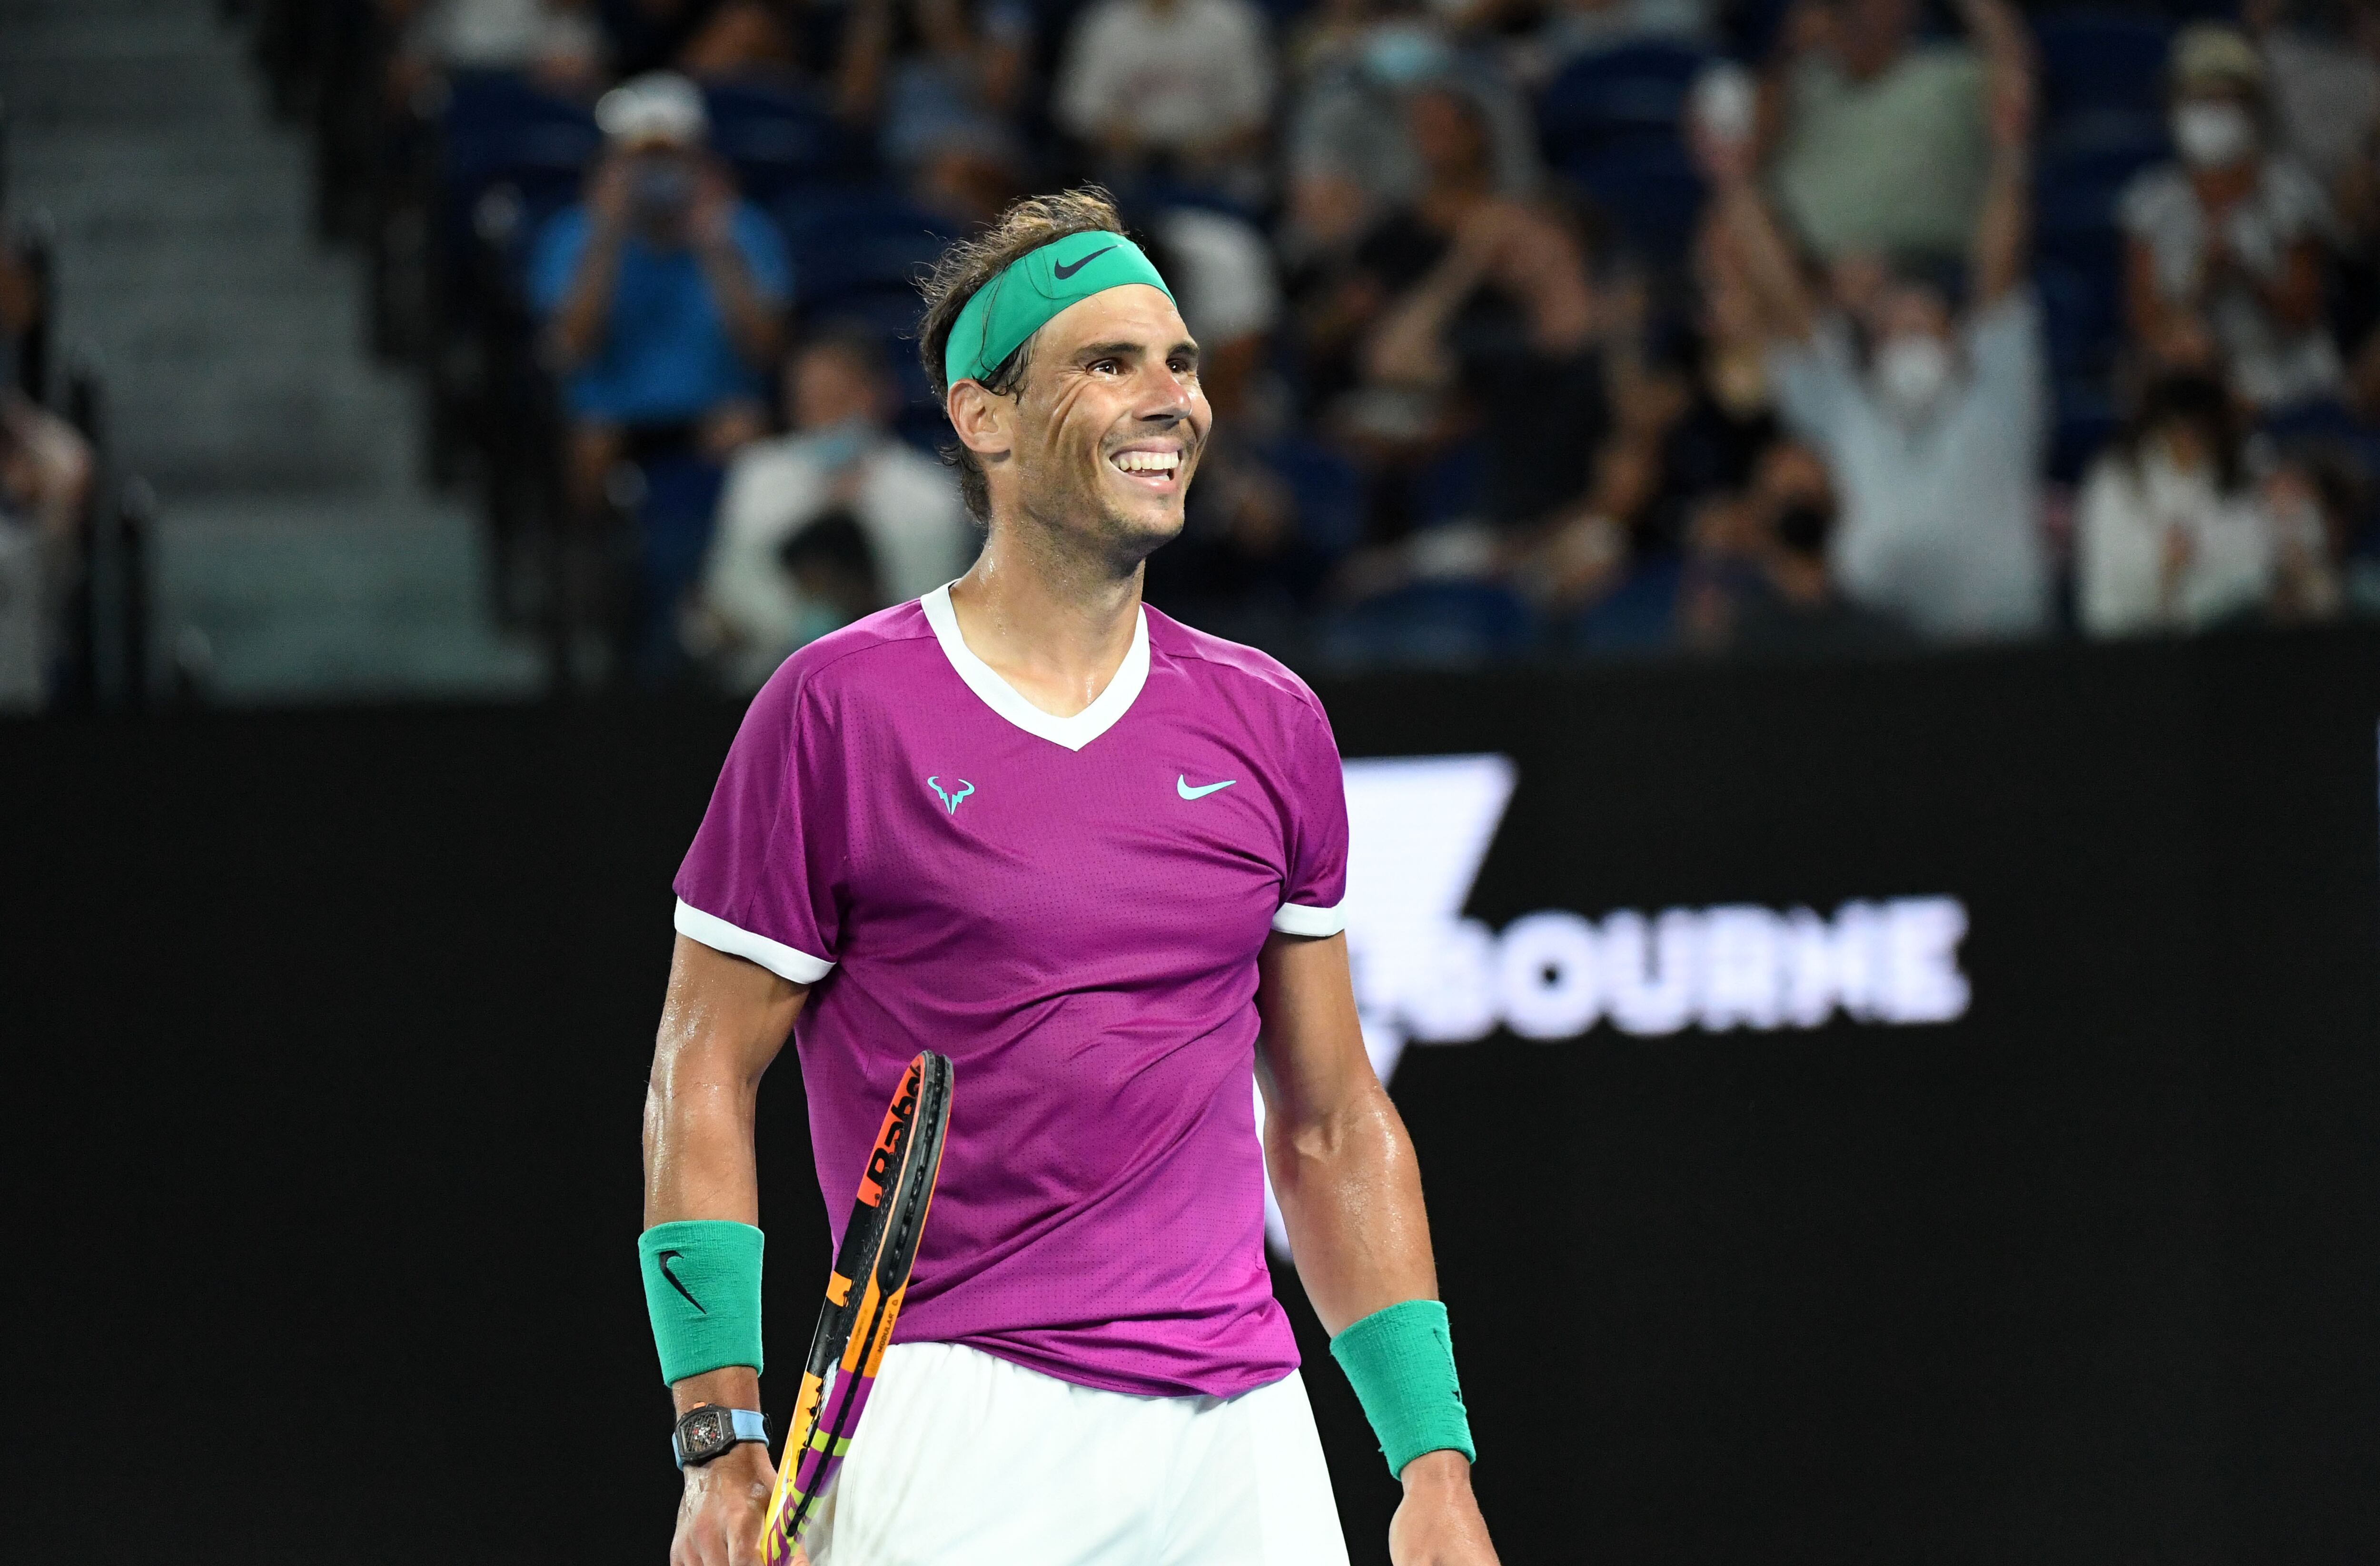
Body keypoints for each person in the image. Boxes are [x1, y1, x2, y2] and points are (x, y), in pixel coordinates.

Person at [642, 189, 1499, 1566]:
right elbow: (701, 1068)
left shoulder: (1270, 722)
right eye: (1110, 364)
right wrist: (718, 1434)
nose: (1172, 399)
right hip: (951, 1411)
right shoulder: (837, 711)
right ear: (984, 418)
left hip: (1247, 1429)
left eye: (1183, 362)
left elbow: (1333, 1122)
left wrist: (1431, 1464)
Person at [1708, 0, 2049, 640]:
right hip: (1875, 657)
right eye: (1896, 328)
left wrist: (2009, 159)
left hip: (2006, 653)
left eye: (1926, 326)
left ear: (1958, 343)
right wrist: (1735, 185)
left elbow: (1999, 273)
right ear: (1872, 348)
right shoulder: (1846, 411)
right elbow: (1789, 304)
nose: (1909, 339)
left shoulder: (1997, 396)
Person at [530, 72, 791, 658]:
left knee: (746, 436)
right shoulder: (574, 237)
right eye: (639, 159)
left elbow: (766, 350)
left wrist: (715, 244)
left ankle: (726, 615)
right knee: (587, 449)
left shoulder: (742, 232)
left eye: (669, 157)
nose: (655, 175)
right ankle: (597, 619)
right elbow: (571, 346)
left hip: (715, 420)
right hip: (615, 424)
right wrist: (606, 235)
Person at [696, 326, 975, 688]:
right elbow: (729, 588)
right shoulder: (757, 473)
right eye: (807, 403)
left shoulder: (931, 495)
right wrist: (797, 630)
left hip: (890, 686)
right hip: (762, 682)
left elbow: (932, 613)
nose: (821, 417)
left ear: (877, 396)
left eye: (836, 400)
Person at [2119, 25, 2342, 412]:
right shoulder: (2150, 203)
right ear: (2175, 109)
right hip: (2191, 388)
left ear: (2252, 112)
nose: (2213, 114)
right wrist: (2202, 279)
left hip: (2287, 382)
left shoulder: (2291, 194)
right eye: (2201, 101)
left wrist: (2248, 273)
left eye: (2225, 101)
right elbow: (2148, 326)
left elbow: (2305, 314)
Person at [1761, 0, 1994, 261]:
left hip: (1918, 266)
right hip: (1804, 265)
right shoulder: (1802, 83)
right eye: (1844, 10)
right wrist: (1785, 53)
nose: (1856, 18)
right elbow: (1746, 159)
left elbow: (2017, 99)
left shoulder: (1950, 77)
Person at [2075, 371, 2276, 637]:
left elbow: (2254, 571)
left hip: (2219, 643)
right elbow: (2101, 584)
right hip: (2124, 643)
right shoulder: (2114, 478)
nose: (2188, 438)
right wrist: (2161, 565)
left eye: (2200, 428)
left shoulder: (2234, 479)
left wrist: (2193, 575)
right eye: (2180, 427)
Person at [1055, 0, 1277, 199]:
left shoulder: (1230, 22)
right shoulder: (1105, 24)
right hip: (1127, 182)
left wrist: (1209, 149)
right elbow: (1080, 113)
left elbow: (1255, 117)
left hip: (1216, 182)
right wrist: (1129, 141)